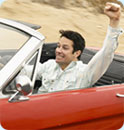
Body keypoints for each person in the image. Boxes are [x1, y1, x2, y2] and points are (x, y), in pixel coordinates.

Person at [21, 2, 123, 94]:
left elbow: (106, 53)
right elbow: (24, 71)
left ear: (77, 53)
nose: (58, 51)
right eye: (58, 46)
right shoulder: (50, 65)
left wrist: (114, 22)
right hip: (36, 108)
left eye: (65, 48)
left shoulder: (85, 73)